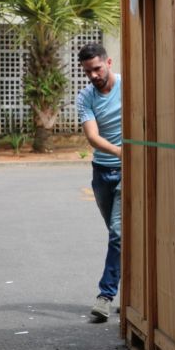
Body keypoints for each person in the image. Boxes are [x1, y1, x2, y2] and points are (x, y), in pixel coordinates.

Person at [76, 43, 122, 323]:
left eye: (97, 68)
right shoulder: (86, 96)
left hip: (131, 170)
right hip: (102, 172)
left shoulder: (129, 87)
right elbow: (92, 137)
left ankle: (105, 296)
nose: (93, 75)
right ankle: (134, 294)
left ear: (109, 62)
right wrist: (119, 152)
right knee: (120, 237)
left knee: (118, 233)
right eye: (87, 71)